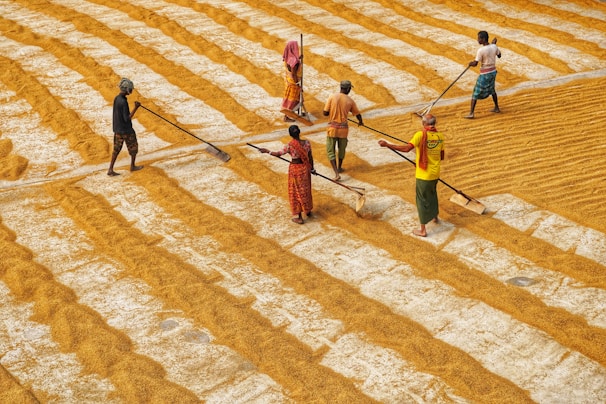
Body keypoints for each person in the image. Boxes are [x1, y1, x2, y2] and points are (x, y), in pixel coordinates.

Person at [378, 114, 444, 237]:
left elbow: (406, 149)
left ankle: (423, 230)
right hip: (435, 173)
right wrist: (421, 159)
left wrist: (387, 145)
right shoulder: (440, 136)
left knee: (421, 200)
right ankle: (435, 217)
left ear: (424, 124)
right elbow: (441, 156)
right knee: (432, 194)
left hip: (423, 174)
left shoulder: (420, 135)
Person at [258, 125, 316, 224]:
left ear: (290, 134)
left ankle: (299, 217)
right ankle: (308, 210)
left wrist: (267, 151)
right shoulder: (307, 143)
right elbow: (310, 157)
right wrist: (312, 168)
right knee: (305, 189)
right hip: (305, 169)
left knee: (296, 191)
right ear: (299, 132)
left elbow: (279, 153)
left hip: (295, 170)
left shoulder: (290, 145)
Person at [323, 80, 363, 180]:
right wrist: (360, 121)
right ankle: (339, 167)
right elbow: (357, 114)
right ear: (348, 89)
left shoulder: (332, 97)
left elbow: (325, 113)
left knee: (330, 151)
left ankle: (336, 173)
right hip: (343, 129)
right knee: (341, 150)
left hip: (332, 129)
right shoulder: (350, 101)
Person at [107, 77, 143, 176]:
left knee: (116, 149)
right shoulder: (123, 102)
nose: (131, 90)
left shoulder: (117, 98)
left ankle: (110, 169)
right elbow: (127, 119)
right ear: (127, 89)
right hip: (126, 130)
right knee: (133, 147)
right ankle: (133, 166)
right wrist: (136, 108)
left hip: (117, 129)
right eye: (130, 89)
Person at [465, 31, 501, 119]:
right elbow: (499, 55)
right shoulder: (494, 46)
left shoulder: (481, 50)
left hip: (485, 73)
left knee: (475, 93)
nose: (478, 40)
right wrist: (494, 46)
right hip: (493, 72)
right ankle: (496, 107)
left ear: (483, 39)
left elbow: (476, 63)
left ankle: (471, 113)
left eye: (479, 38)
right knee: (492, 89)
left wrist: (471, 63)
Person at [281, 40, 302, 122]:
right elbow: (294, 74)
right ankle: (286, 116)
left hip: (288, 81)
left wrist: (299, 58)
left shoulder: (288, 57)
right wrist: (297, 84)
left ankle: (290, 114)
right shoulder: (294, 62)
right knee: (292, 100)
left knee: (290, 99)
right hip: (293, 83)